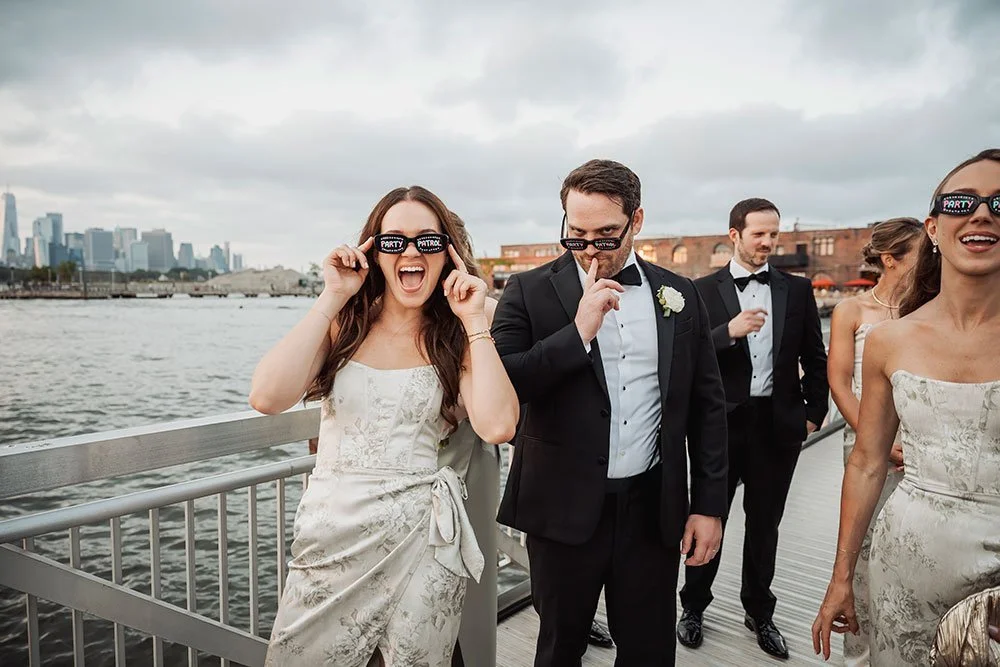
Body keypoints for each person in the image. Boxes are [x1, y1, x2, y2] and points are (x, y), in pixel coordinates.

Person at [251, 186, 519, 667]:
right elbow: (267, 396)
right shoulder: (345, 322)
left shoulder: (455, 335)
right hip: (333, 537)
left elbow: (498, 425)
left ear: (447, 252)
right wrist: (331, 296)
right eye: (394, 241)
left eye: (427, 241)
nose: (411, 251)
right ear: (374, 251)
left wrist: (475, 319)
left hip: (422, 539)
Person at [492, 158, 728, 665]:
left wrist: (709, 506)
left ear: (636, 222)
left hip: (650, 507)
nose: (590, 250)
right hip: (561, 508)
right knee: (559, 647)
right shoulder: (527, 291)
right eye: (576, 236)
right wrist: (577, 332)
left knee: (649, 650)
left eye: (606, 235)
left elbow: (708, 405)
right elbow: (505, 384)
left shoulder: (680, 294)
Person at [813, 149, 1000, 665]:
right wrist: (841, 578)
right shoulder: (890, 339)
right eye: (963, 201)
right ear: (934, 228)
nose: (983, 213)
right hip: (907, 568)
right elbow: (868, 462)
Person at [678, 198, 829, 660]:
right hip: (719, 429)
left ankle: (759, 612)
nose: (768, 242)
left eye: (774, 234)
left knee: (766, 526)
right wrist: (729, 332)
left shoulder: (797, 290)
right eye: (759, 233)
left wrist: (811, 416)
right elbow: (686, 358)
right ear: (734, 235)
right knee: (709, 518)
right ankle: (693, 607)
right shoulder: (701, 290)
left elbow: (815, 359)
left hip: (777, 428)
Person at [827, 217, 923, 666]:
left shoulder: (929, 310)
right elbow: (841, 384)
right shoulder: (851, 310)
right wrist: (878, 442)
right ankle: (859, 656)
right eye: (924, 254)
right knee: (864, 552)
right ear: (890, 259)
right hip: (867, 440)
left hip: (922, 444)